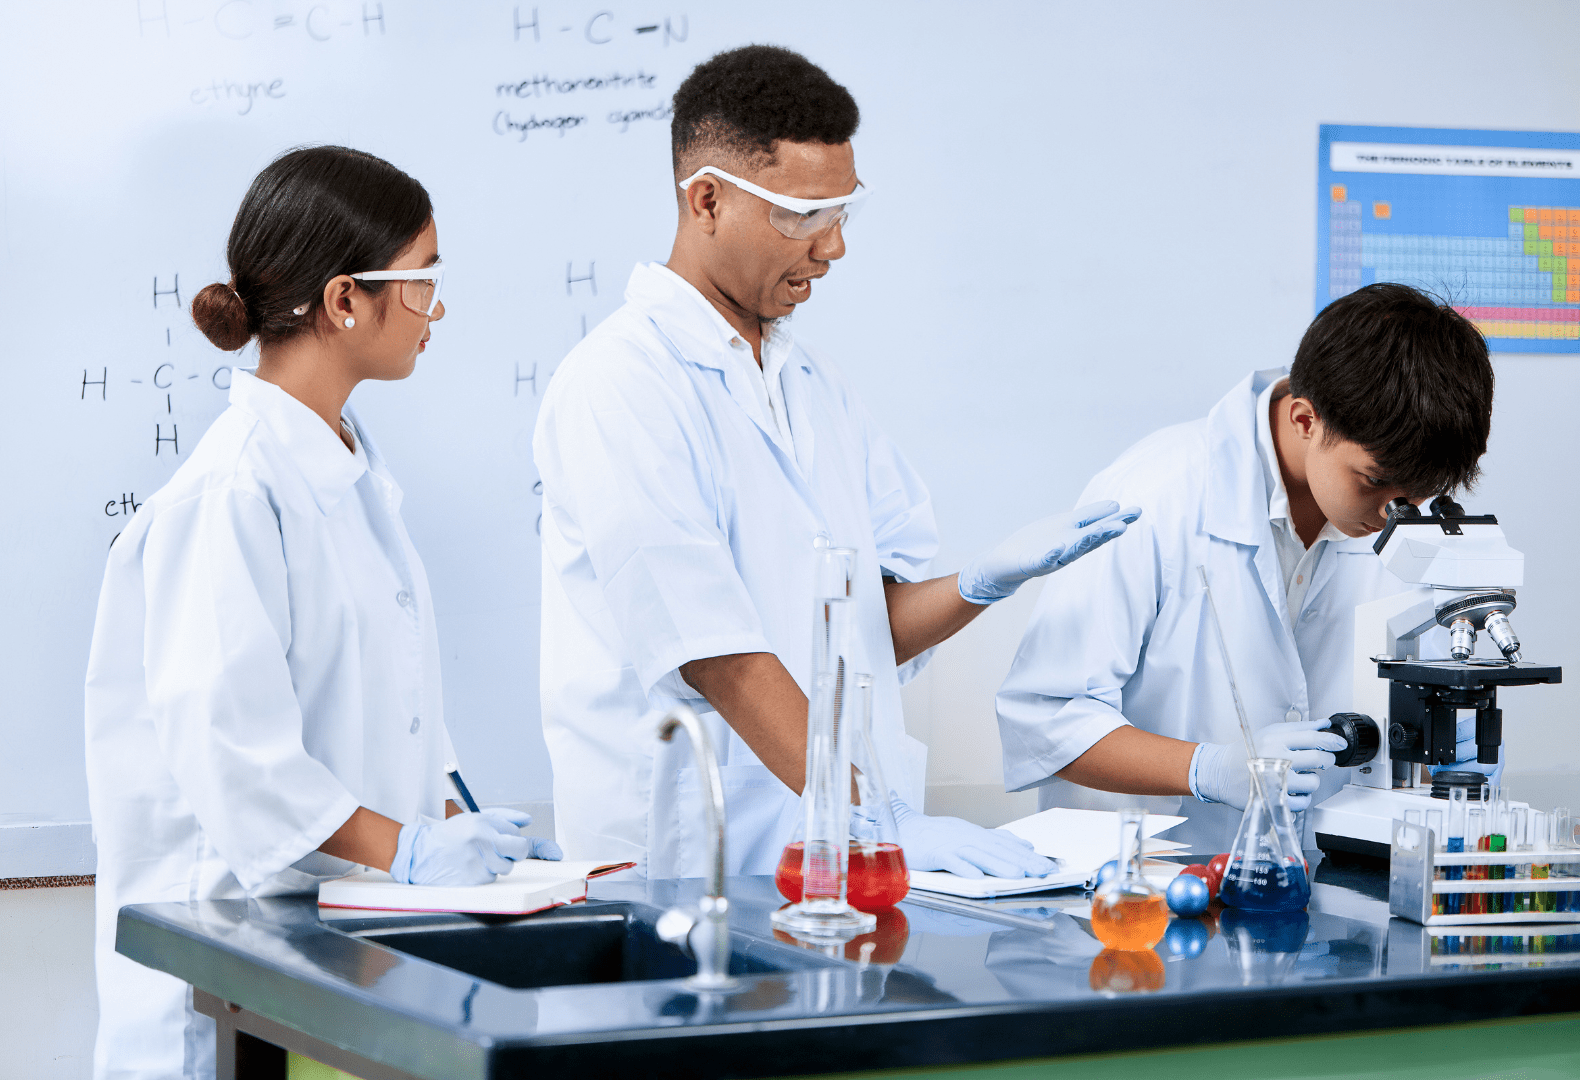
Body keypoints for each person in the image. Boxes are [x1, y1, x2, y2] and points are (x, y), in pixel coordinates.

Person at [534, 45, 1137, 882]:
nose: (833, 247)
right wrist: (874, 822)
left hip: (831, 850)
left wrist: (980, 584)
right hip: (689, 863)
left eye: (844, 213)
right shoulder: (622, 382)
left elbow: (864, 633)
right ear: (705, 200)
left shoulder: (814, 387)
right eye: (801, 217)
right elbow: (716, 653)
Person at [84, 146, 558, 1080]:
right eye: (422, 282)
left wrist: (454, 806)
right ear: (345, 301)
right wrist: (413, 848)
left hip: (332, 962)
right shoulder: (227, 496)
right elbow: (241, 762)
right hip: (224, 981)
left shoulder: (352, 478)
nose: (437, 309)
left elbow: (381, 699)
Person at [996, 283, 1498, 854]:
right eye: (1376, 482)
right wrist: (1209, 769)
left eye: (1421, 493)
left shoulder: (1408, 517)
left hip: (1321, 888)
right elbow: (1045, 718)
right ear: (1306, 420)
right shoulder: (1156, 495)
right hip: (1144, 888)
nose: (1395, 514)